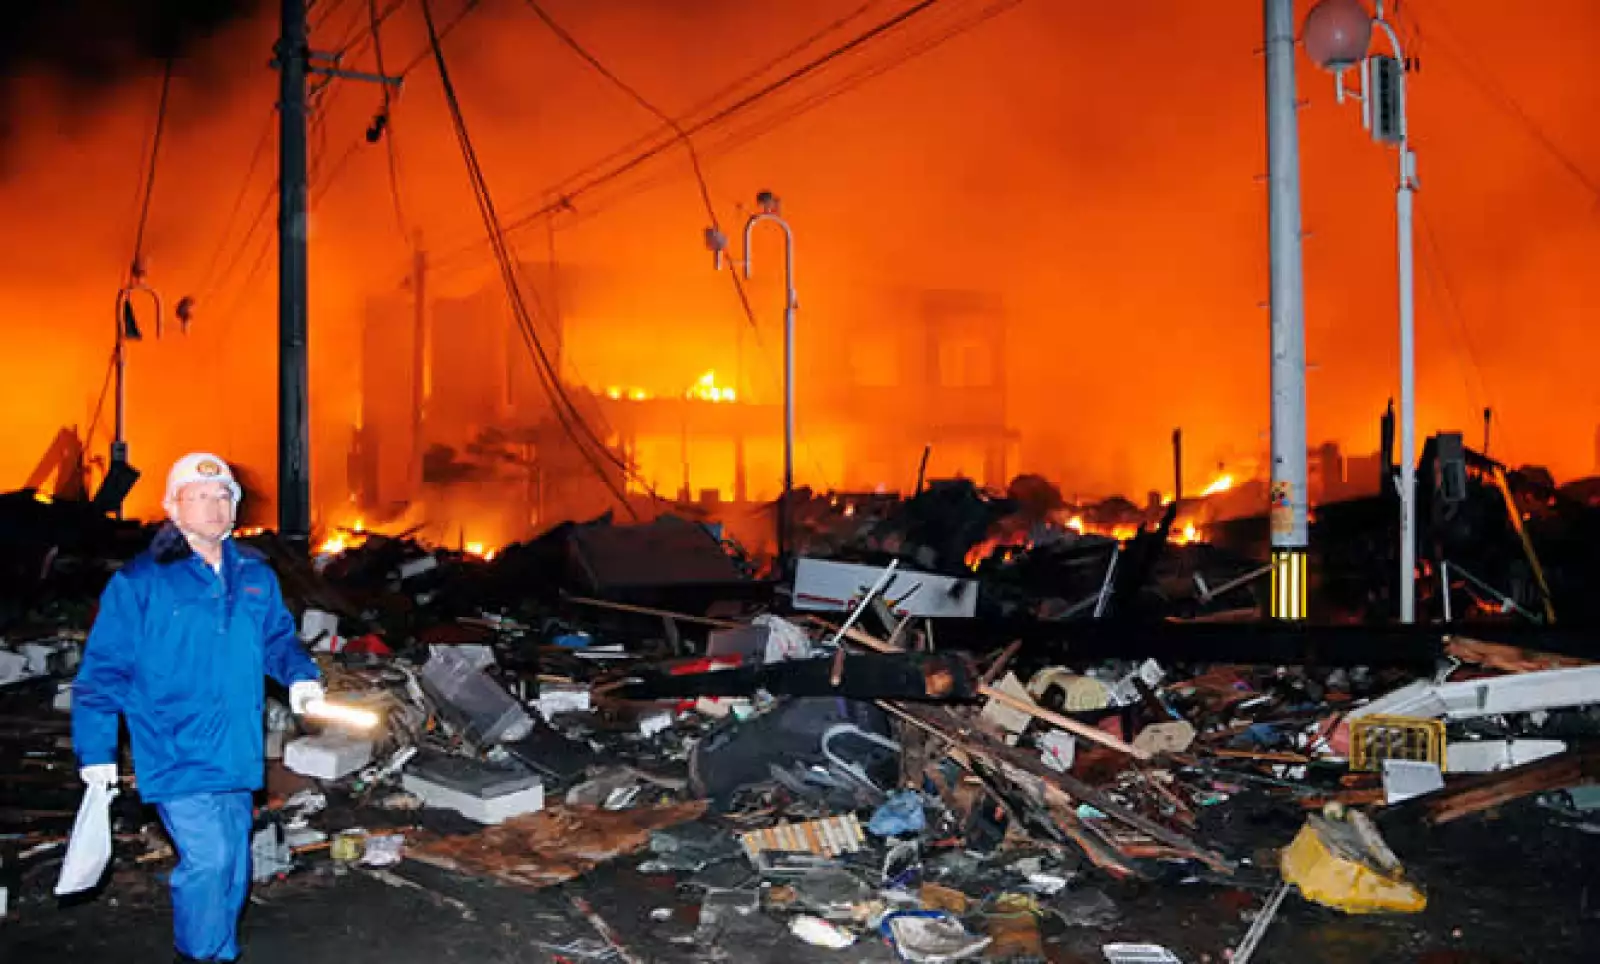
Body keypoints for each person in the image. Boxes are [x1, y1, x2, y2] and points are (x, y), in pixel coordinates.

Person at [72, 453, 325, 963]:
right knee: (208, 860)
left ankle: (216, 949)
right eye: (200, 496)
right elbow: (102, 674)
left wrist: (300, 676)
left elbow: (278, 638)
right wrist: (96, 752)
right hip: (173, 746)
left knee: (234, 864)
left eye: (223, 495)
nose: (215, 506)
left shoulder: (255, 575)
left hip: (235, 746)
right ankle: (200, 954)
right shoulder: (142, 583)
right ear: (172, 505)